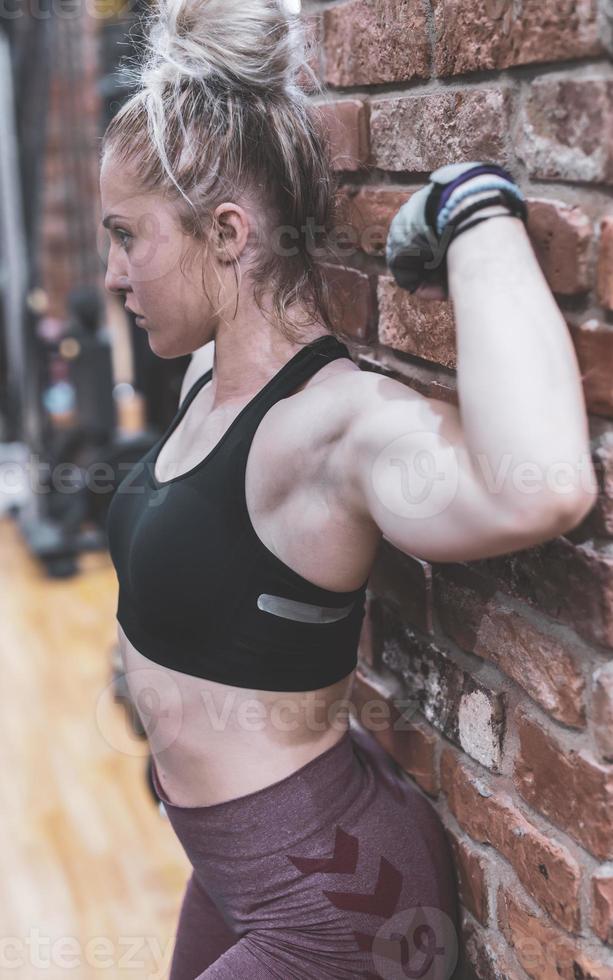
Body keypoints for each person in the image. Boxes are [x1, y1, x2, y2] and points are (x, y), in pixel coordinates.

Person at [100, 1, 597, 977]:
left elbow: (543, 489)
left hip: (338, 901)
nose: (116, 273)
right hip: (236, 862)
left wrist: (475, 213)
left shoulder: (334, 424)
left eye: (128, 237)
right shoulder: (207, 376)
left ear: (228, 234)